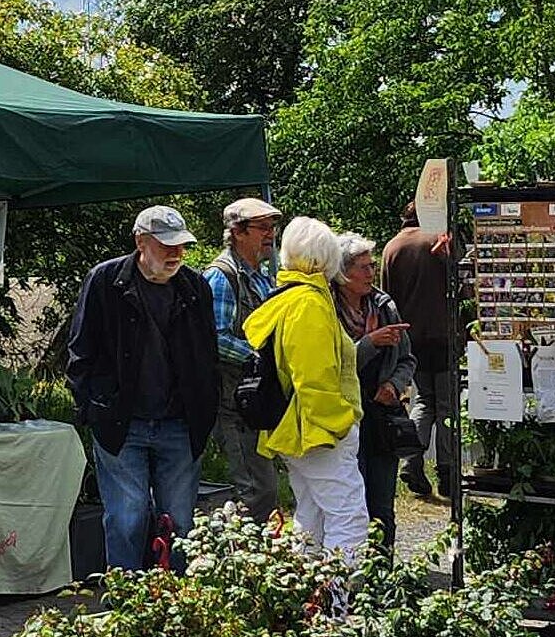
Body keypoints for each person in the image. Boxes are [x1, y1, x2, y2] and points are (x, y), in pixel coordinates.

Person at [63, 205, 221, 571]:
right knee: (126, 519)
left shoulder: (195, 287)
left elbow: (208, 355)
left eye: (180, 245)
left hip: (180, 423)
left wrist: (204, 409)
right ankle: (125, 602)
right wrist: (93, 406)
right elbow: (80, 349)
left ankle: (177, 605)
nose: (176, 253)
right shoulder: (105, 281)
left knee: (180, 522)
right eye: (166, 245)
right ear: (140, 242)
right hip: (121, 421)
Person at [242, 217, 367, 555]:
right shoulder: (309, 303)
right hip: (317, 433)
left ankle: (305, 599)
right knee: (348, 518)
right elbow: (314, 377)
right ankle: (336, 603)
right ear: (323, 258)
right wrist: (338, 425)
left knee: (311, 517)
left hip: (296, 430)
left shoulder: (287, 297)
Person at [334, 233, 414, 551]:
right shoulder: (326, 310)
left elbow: (408, 358)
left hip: (382, 419)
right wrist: (369, 344)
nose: (371, 274)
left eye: (372, 266)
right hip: (345, 419)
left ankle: (383, 581)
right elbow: (331, 366)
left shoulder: (383, 306)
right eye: (363, 267)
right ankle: (354, 584)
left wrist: (394, 384)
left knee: (382, 507)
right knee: (351, 507)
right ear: (342, 273)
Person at [205, 197, 282, 523]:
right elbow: (213, 339)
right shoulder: (223, 277)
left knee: (263, 491)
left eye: (273, 227)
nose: (271, 235)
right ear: (237, 231)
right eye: (262, 227)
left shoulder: (262, 275)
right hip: (233, 407)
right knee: (253, 492)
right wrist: (259, 356)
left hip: (256, 404)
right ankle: (242, 568)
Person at [382, 202, 459, 499]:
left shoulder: (392, 248)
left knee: (424, 400)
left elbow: (386, 299)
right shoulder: (438, 241)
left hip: (409, 338)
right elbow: (459, 285)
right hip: (443, 335)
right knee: (447, 406)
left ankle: (412, 460)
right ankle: (448, 473)